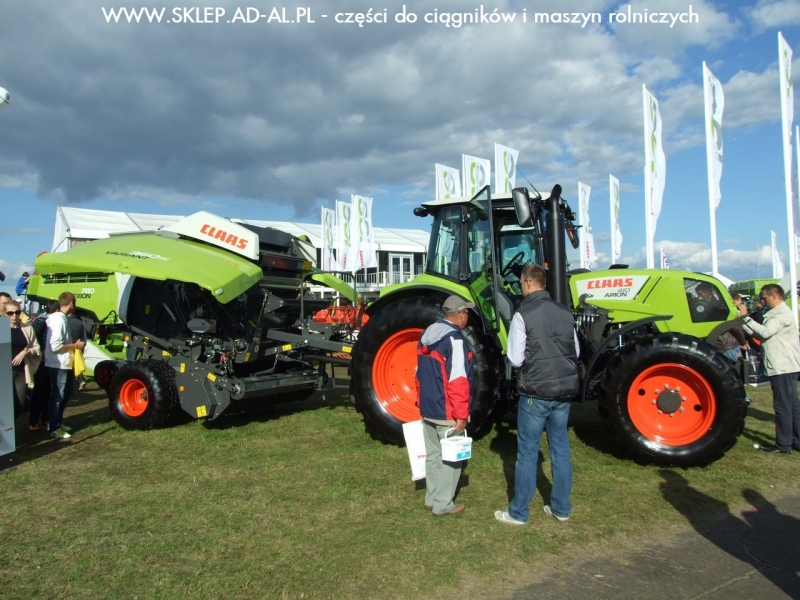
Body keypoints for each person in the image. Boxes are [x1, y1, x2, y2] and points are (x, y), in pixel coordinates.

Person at [495, 264, 580, 526]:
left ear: (530, 283)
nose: (520, 287)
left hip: (535, 394)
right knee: (560, 450)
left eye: (521, 283)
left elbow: (515, 358)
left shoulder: (523, 315)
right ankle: (561, 508)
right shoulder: (565, 313)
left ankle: (519, 512)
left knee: (528, 452)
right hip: (562, 394)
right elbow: (574, 351)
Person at [416, 295, 475, 517]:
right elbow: (457, 380)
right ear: (460, 315)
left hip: (428, 408)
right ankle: (443, 504)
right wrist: (461, 414)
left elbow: (418, 373)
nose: (467, 316)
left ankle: (431, 498)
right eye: (466, 313)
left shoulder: (426, 335)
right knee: (452, 458)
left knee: (432, 455)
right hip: (447, 410)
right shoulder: (455, 340)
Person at [738, 284, 800, 454]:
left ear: (774, 296)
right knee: (792, 406)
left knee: (783, 407)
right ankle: (795, 440)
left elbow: (765, 332)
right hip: (786, 366)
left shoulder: (780, 314)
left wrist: (745, 318)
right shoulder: (778, 313)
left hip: (783, 367)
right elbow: (761, 334)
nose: (761, 301)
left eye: (763, 298)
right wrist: (745, 322)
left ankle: (783, 445)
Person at [45, 292, 86, 439]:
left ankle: (57, 422)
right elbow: (56, 346)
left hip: (61, 364)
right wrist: (76, 345)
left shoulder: (57, 318)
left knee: (66, 393)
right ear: (72, 304)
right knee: (58, 396)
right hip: (58, 364)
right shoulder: (60, 320)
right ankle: (54, 427)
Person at [6, 300, 41, 418]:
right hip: (4, 373)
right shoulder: (2, 329)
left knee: (19, 406)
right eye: (10, 313)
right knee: (4, 406)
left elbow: (37, 348)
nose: (14, 315)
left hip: (21, 372)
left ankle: (9, 432)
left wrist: (26, 352)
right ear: (5, 314)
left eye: (17, 312)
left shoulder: (27, 328)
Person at [29, 300, 59, 431]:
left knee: (48, 391)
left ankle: (45, 418)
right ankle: (34, 420)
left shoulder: (51, 321)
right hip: (41, 363)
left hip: (50, 362)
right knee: (39, 392)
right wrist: (40, 350)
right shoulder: (42, 321)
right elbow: (32, 336)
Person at [68, 306, 88, 391]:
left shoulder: (65, 322)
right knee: (77, 365)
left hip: (68, 348)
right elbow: (84, 336)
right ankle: (80, 380)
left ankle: (76, 385)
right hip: (79, 347)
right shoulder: (80, 322)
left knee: (70, 370)